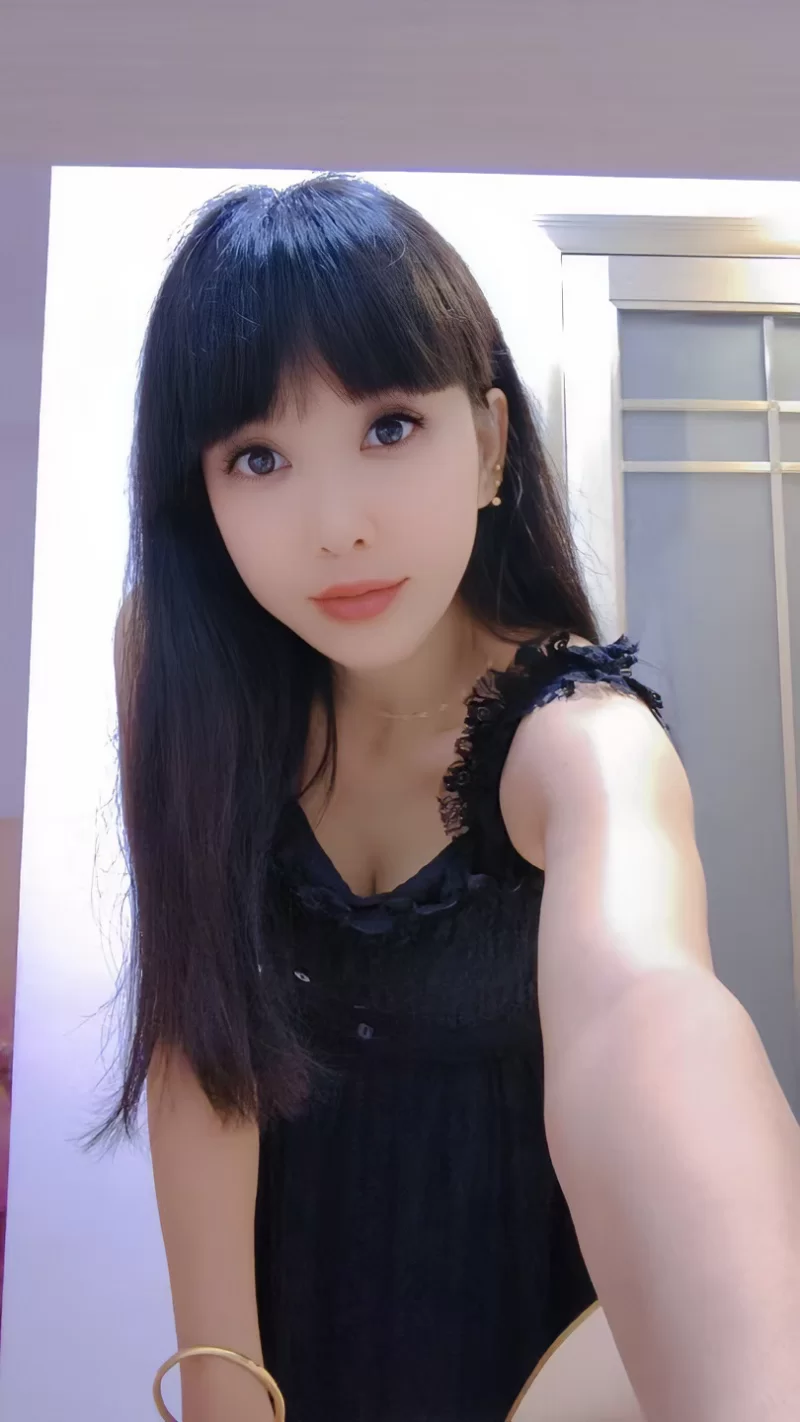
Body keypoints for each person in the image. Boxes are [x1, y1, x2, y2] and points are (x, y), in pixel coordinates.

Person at [97, 173, 800, 1422]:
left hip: (533, 1361)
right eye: (258, 455)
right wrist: (220, 1385)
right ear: (200, 495)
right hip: (294, 1341)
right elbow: (201, 1030)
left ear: (487, 442)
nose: (336, 526)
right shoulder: (179, 666)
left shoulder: (580, 740)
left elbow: (646, 1014)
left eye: (387, 428)